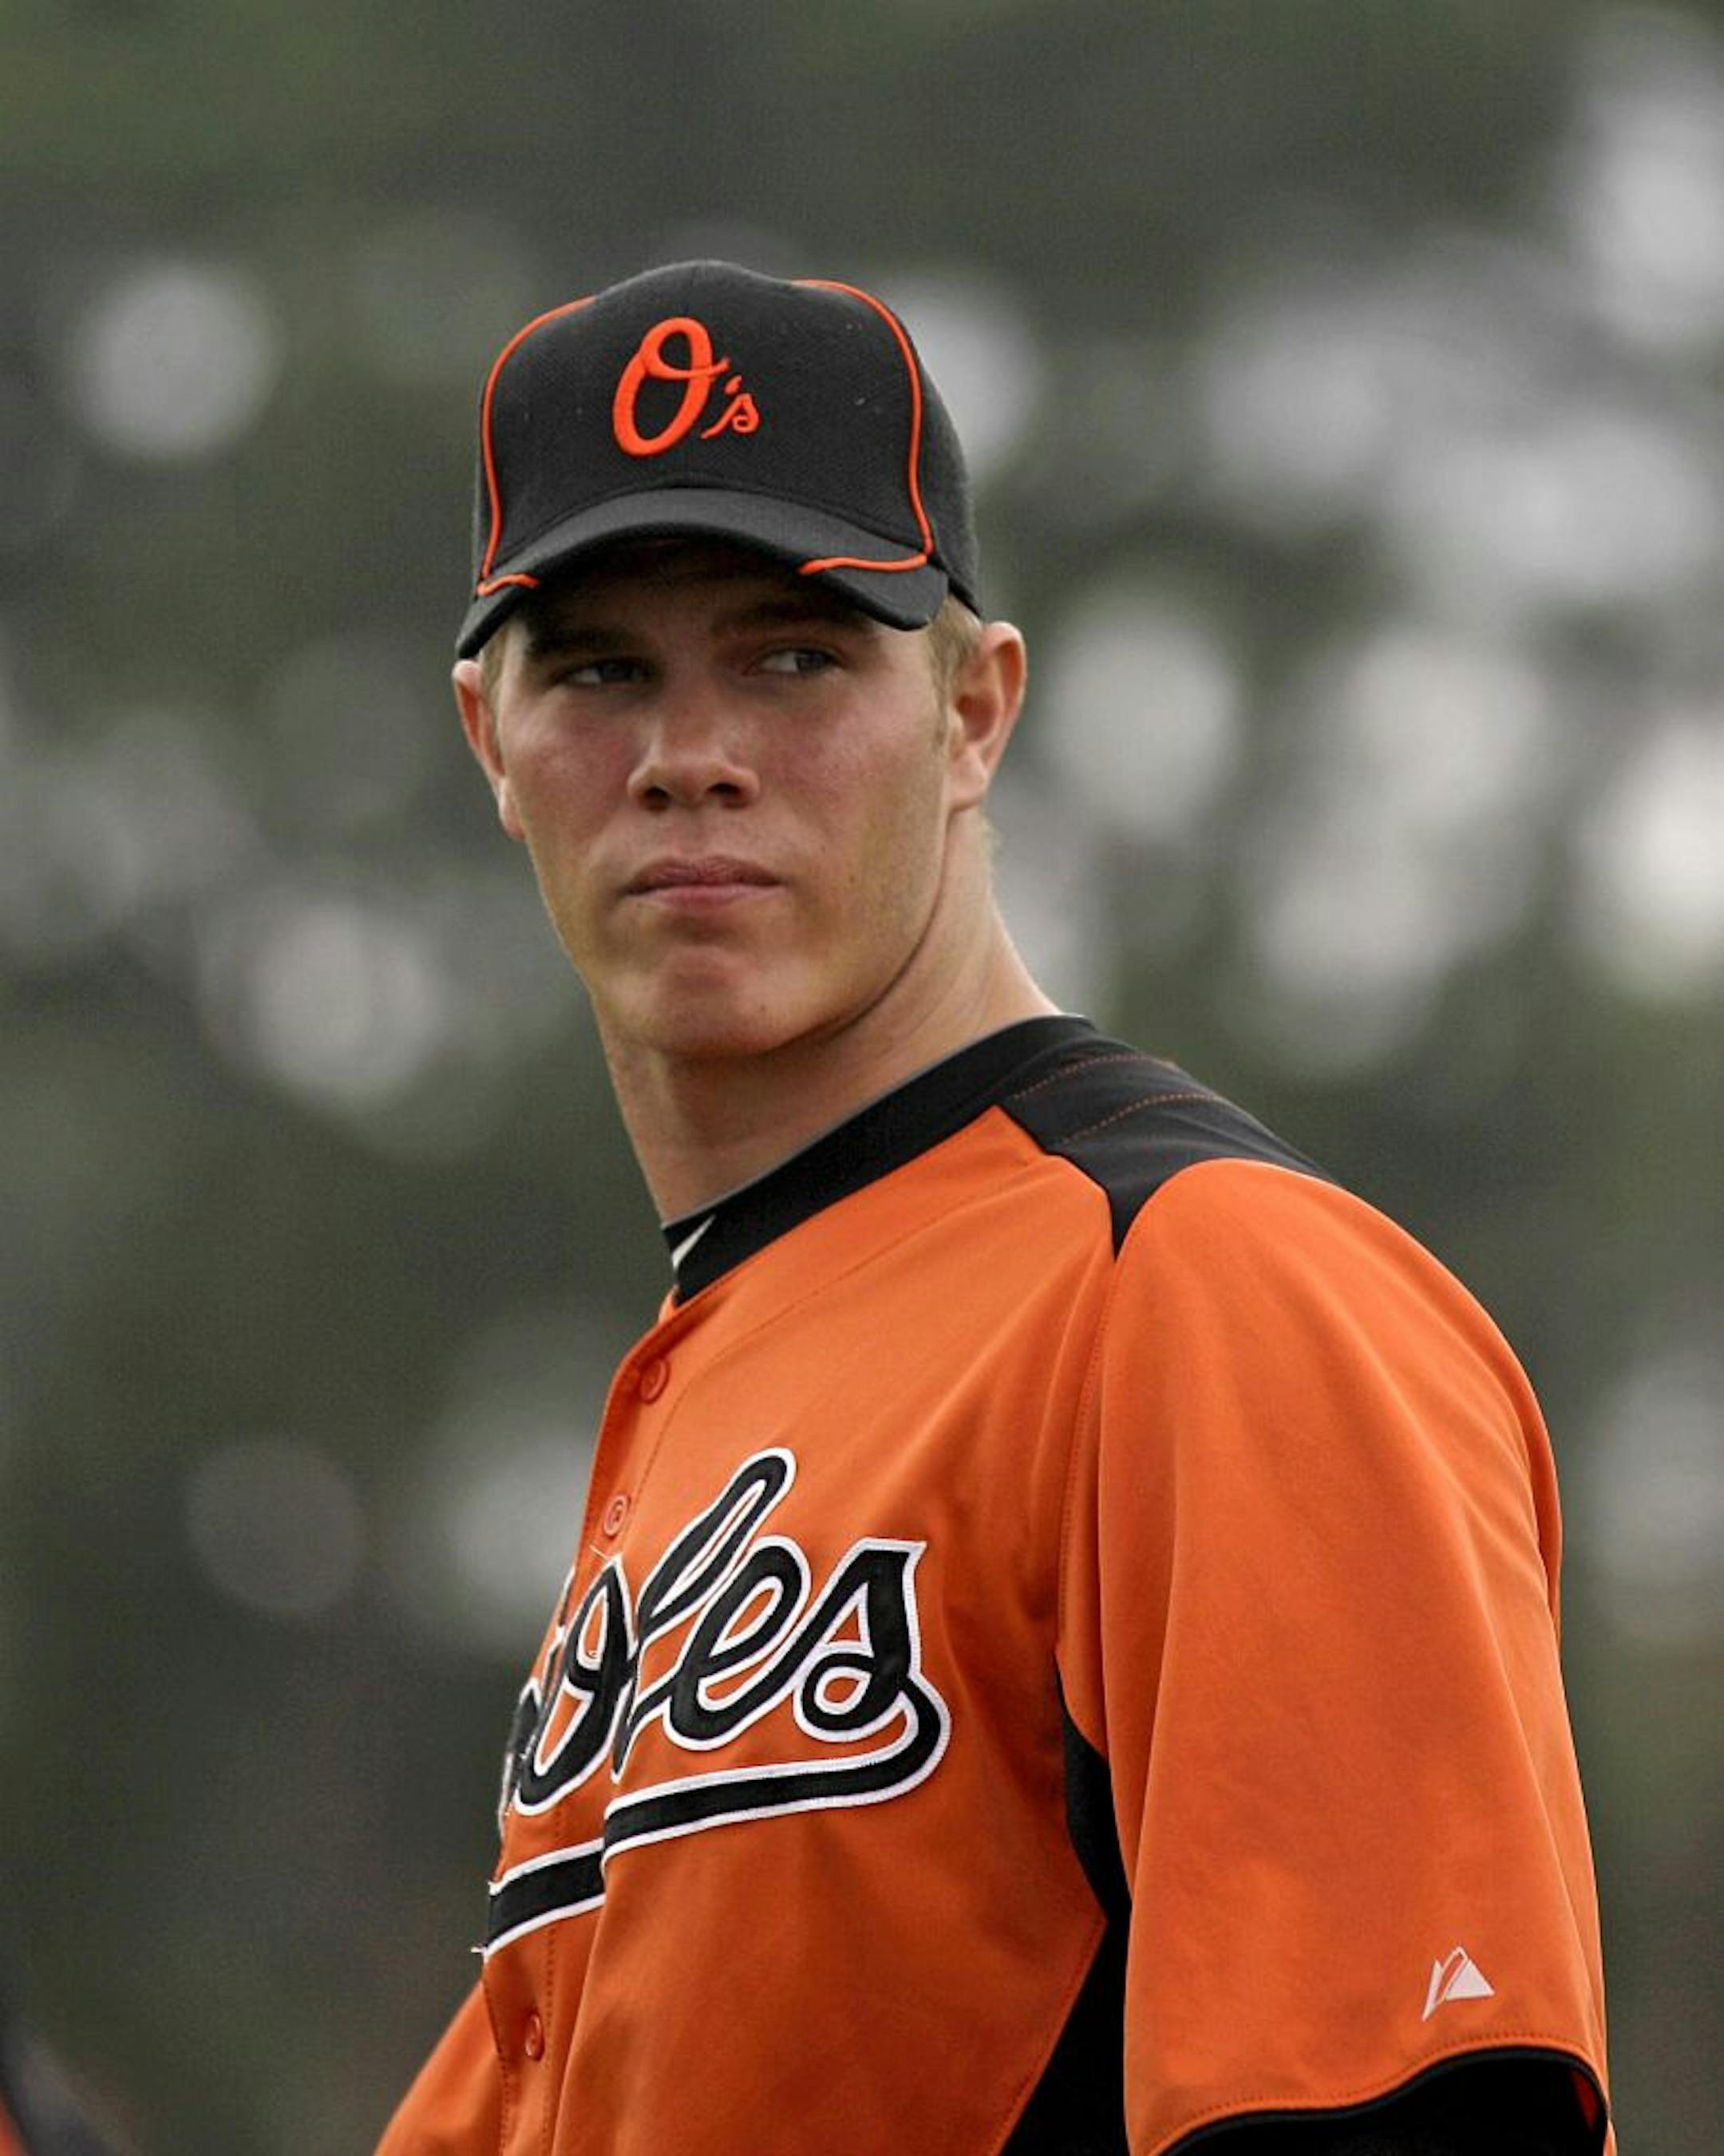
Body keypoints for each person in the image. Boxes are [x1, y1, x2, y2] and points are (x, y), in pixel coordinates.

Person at [378, 261, 1611, 2155]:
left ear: (974, 710)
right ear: (490, 741)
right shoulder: (716, 1380)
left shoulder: (1203, 1283)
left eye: (796, 652)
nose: (686, 751)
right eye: (602, 667)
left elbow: (1416, 2102)